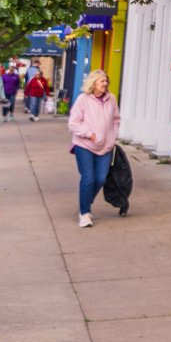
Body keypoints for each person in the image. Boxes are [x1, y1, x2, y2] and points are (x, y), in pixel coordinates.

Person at [67, 70, 121, 228]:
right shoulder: (82, 99)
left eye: (106, 81)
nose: (105, 84)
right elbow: (73, 123)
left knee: (100, 179)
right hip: (85, 145)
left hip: (106, 146)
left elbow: (116, 119)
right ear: (93, 83)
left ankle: (85, 200)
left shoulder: (112, 99)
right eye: (101, 81)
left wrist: (112, 137)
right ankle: (84, 213)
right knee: (88, 178)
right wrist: (89, 135)